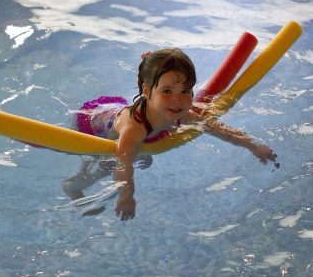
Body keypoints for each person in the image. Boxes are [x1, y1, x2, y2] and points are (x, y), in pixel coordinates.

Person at [75, 48, 277, 220]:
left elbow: (215, 127)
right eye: (167, 91)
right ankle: (72, 187)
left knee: (138, 151)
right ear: (146, 91)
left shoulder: (180, 113)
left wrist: (253, 145)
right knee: (104, 166)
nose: (178, 100)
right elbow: (123, 164)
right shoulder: (133, 128)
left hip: (124, 114)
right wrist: (126, 196)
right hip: (96, 126)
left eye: (186, 90)